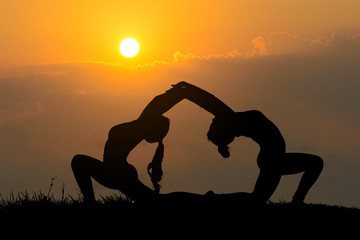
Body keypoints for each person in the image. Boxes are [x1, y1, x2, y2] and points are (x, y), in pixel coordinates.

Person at [169, 82, 324, 204]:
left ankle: (214, 198)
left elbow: (208, 101)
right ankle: (297, 201)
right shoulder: (230, 119)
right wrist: (187, 89)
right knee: (316, 163)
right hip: (272, 160)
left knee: (256, 200)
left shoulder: (228, 118)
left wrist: (187, 89)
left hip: (271, 159)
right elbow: (209, 101)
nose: (212, 120)